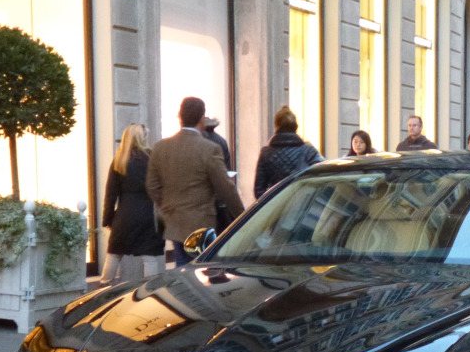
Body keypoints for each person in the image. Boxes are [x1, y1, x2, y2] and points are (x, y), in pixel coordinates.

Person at [147, 96, 245, 266]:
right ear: (202, 119)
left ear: (180, 117)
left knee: (182, 271)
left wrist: (168, 205)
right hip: (201, 224)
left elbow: (152, 185)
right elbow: (226, 189)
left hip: (174, 222)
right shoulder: (209, 149)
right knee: (203, 272)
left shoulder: (161, 147)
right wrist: (243, 218)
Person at [99, 124, 165, 284]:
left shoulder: (119, 161)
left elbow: (111, 194)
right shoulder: (152, 159)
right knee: (149, 258)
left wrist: (107, 219)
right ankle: (151, 290)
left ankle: (104, 285)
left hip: (124, 215)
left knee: (114, 253)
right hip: (148, 215)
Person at [254, 106, 323, 199]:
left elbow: (259, 190)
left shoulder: (265, 153)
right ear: (296, 126)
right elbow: (323, 177)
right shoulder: (309, 151)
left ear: (276, 126)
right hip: (302, 206)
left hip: (277, 208)